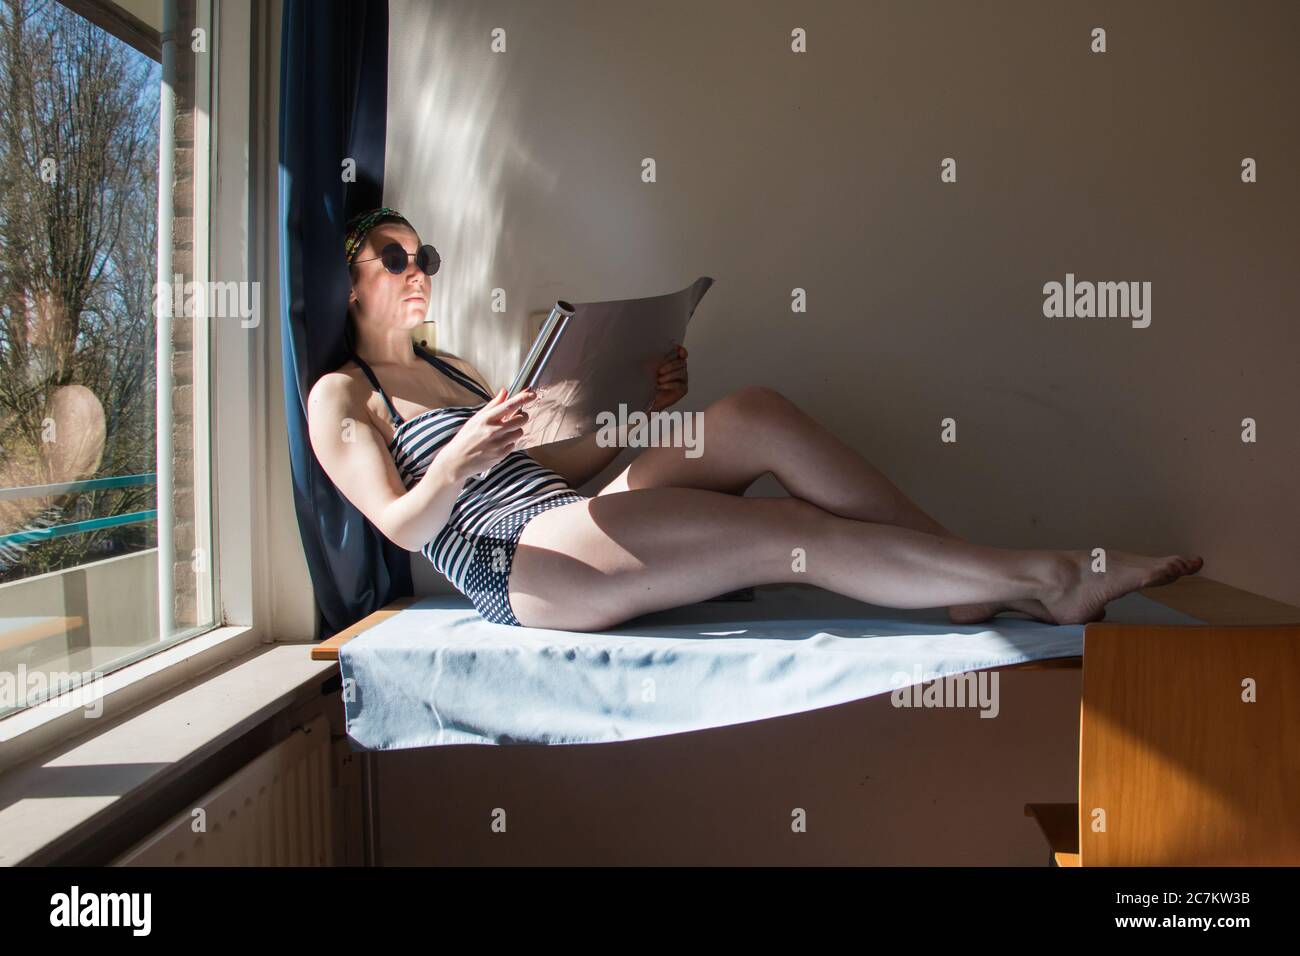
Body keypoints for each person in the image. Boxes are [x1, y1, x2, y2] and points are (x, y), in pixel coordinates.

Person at [307, 207, 1203, 631]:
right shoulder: (342, 397)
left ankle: (966, 581)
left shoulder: (452, 365)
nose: (417, 264)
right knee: (786, 530)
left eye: (423, 251)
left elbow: (564, 474)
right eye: (395, 255)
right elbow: (399, 527)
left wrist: (638, 415)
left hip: (556, 515)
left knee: (753, 413)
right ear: (349, 281)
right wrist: (459, 459)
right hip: (522, 568)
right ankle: (1046, 577)